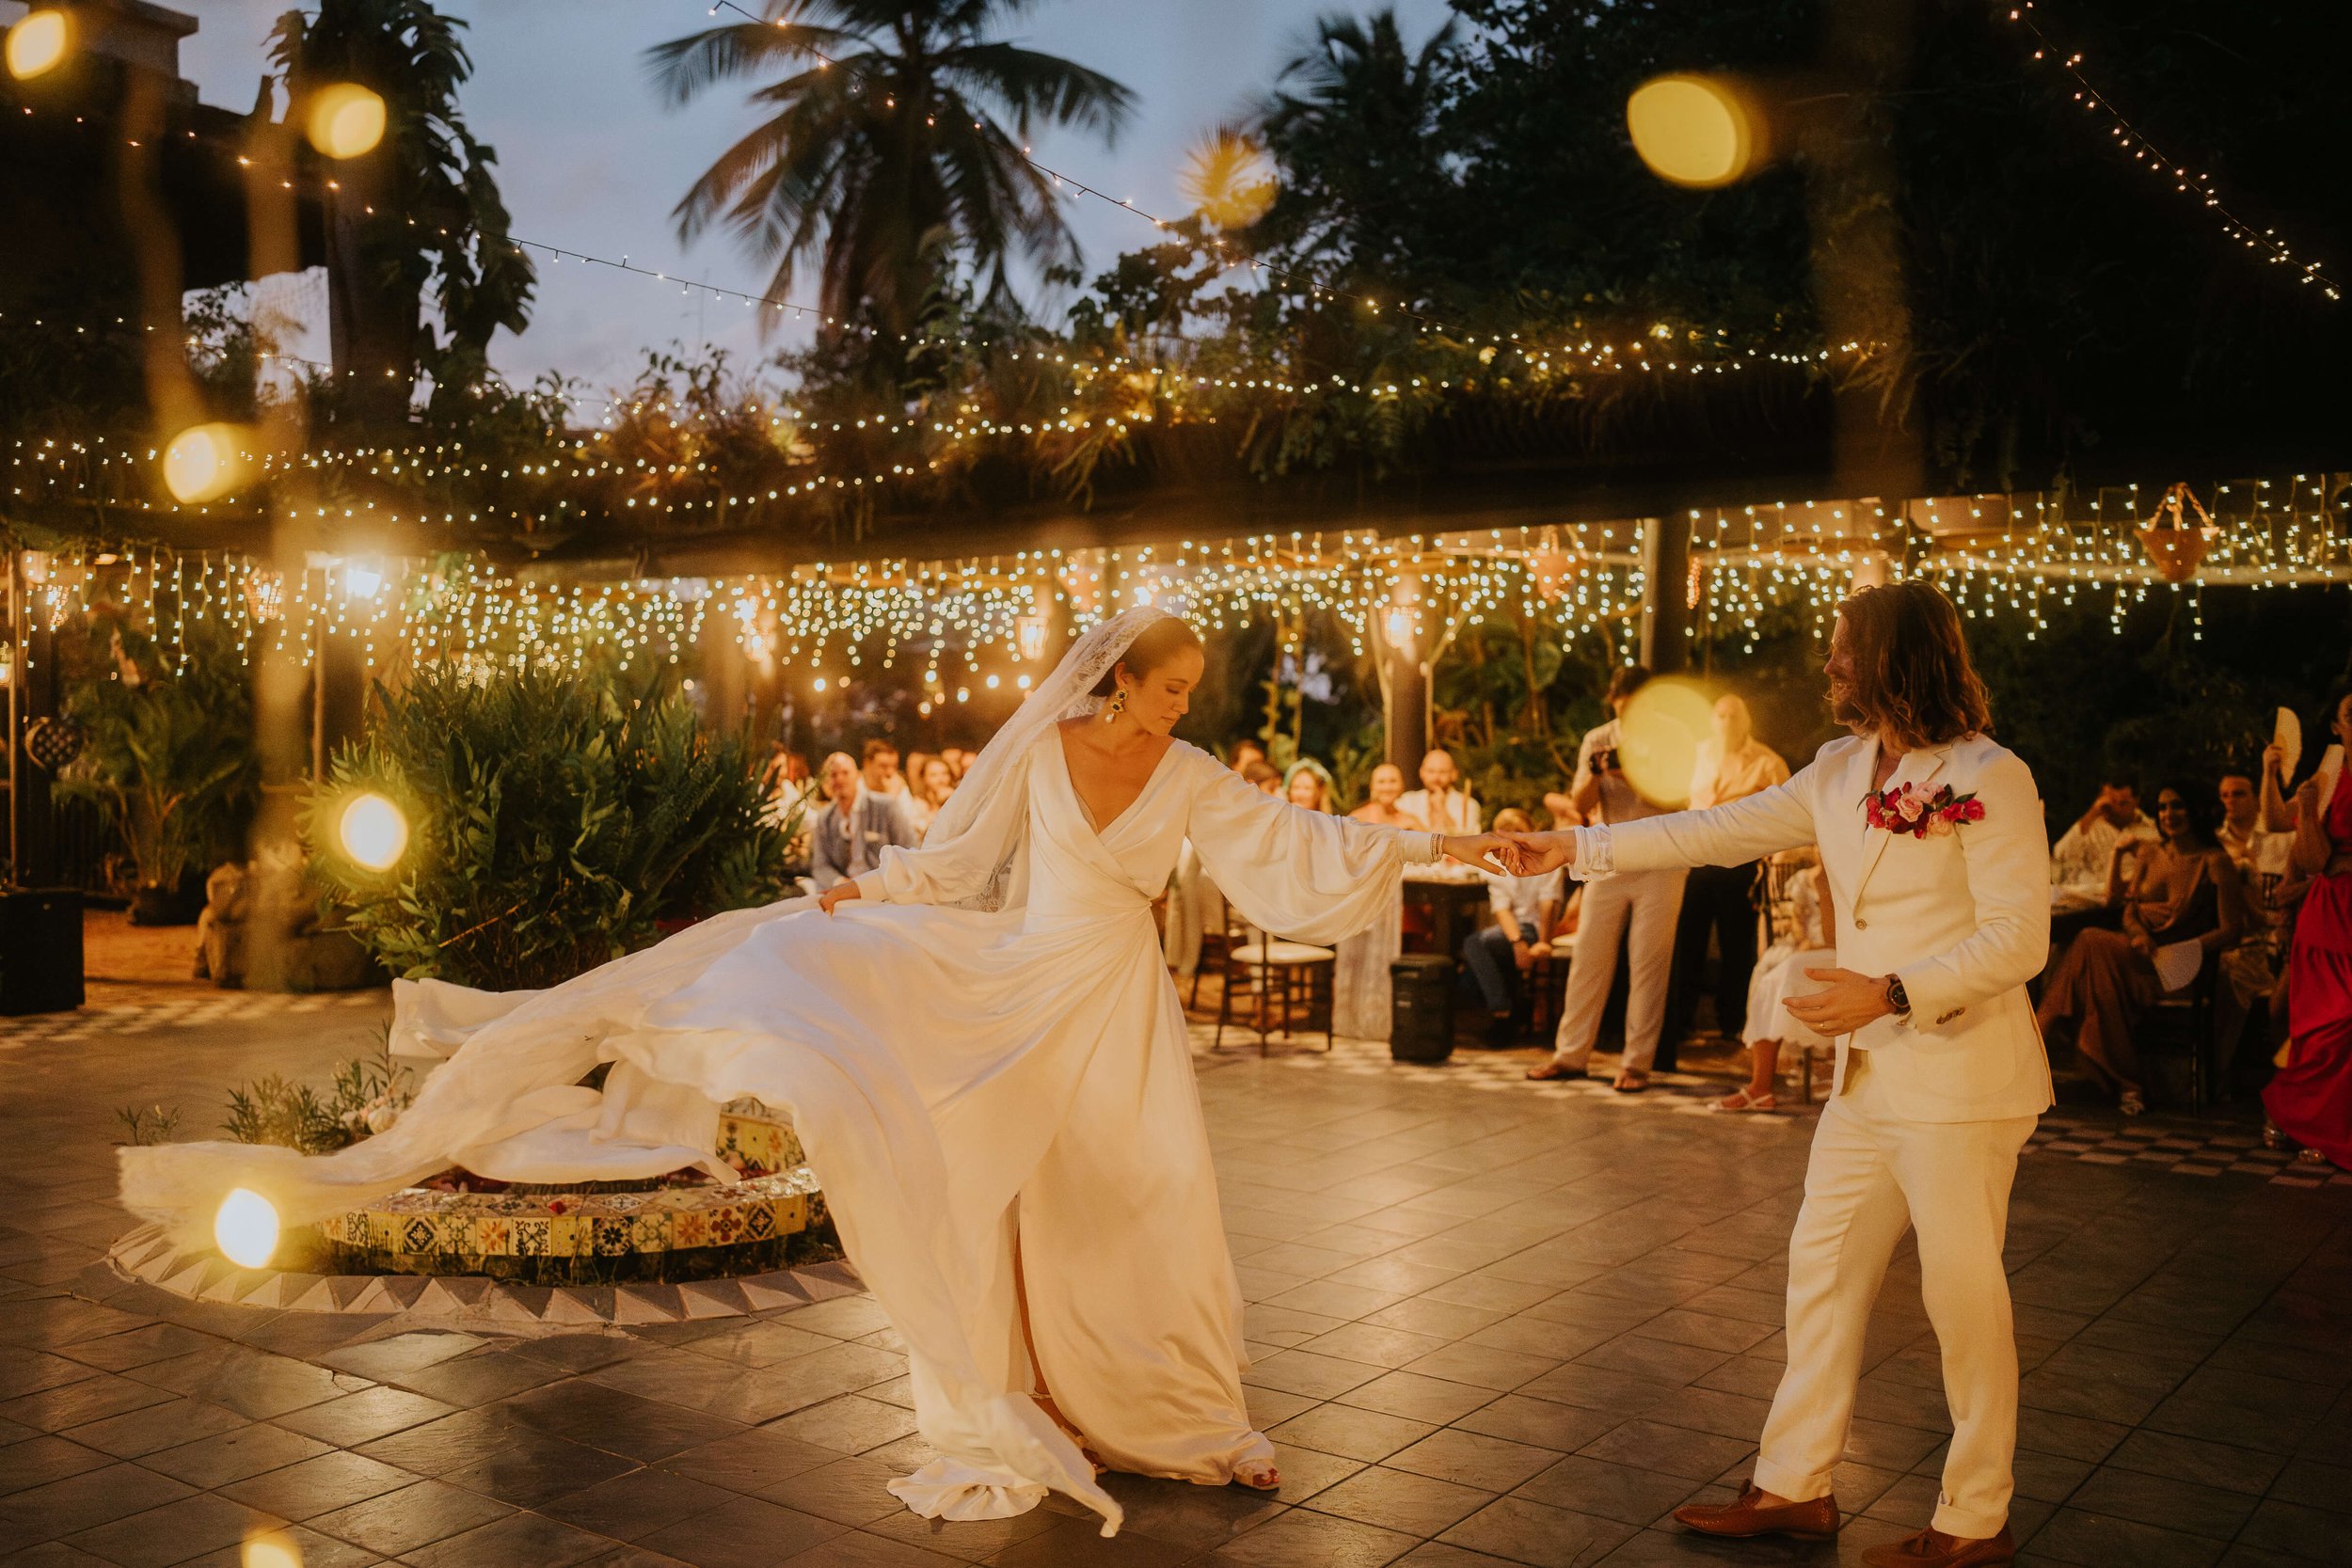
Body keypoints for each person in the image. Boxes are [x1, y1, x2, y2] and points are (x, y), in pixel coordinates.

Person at [119, 609, 1507, 1536]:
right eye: (1167, 686)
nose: (1178, 708)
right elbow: (958, 864)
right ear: (1112, 679)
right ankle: (1054, 1394)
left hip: (1121, 1002)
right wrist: (873, 895)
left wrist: (1467, 848)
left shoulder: (1194, 773)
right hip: (1020, 985)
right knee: (1016, 1198)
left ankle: (1186, 1417)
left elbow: (1302, 846)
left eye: (1188, 694)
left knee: (1152, 1199)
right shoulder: (1041, 756)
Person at [1496, 580, 2052, 1568]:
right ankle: (1794, 1484)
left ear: (1892, 658)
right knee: (1820, 1270)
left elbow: (2019, 939)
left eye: (1842, 648)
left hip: (1961, 1076)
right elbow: (1707, 829)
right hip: (1866, 1080)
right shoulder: (1836, 768)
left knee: (1961, 1298)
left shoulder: (1990, 774)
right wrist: (1570, 847)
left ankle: (1976, 1516)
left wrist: (1887, 991)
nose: (1828, 664)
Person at [2036, 784, 2246, 1115]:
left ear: (2194, 810)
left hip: (2177, 967)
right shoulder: (2149, 852)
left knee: (2090, 941)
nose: (2168, 815)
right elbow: (2128, 911)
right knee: (2096, 978)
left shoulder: (2214, 861)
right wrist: (2138, 935)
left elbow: (2232, 928)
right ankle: (2126, 1084)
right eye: (2162, 808)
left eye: (2177, 806)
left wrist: (2183, 947)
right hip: (2138, 956)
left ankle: (2040, 1034)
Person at [1528, 665, 1687, 1092]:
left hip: (1662, 858)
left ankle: (1636, 1064)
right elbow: (1580, 804)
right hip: (1609, 855)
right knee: (1588, 958)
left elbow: (1679, 800)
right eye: (1620, 708)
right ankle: (1570, 1055)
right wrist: (1600, 773)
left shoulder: (1675, 735)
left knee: (1648, 963)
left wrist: (1629, 771)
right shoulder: (1598, 738)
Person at [1661, 694, 1790, 1067]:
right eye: (1720, 715)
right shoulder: (1697, 755)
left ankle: (1732, 1022)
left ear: (1745, 721)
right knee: (1688, 940)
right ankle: (1682, 1019)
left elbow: (1787, 814)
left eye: (1733, 715)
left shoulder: (1767, 762)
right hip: (1695, 859)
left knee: (1737, 946)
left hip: (1740, 864)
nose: (1726, 721)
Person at [2264, 688, 2352, 1170]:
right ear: (2338, 727)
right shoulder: (2331, 775)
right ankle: (2306, 1121)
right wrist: (2271, 773)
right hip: (2330, 917)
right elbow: (2311, 854)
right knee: (2325, 1028)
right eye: (2351, 713)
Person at [1718, 849, 1838, 1113]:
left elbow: (1838, 934)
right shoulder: (1803, 880)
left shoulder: (1849, 878)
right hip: (1812, 951)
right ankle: (1760, 1086)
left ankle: (1832, 1069)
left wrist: (1830, 883)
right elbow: (1799, 930)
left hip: (1847, 952)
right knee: (1770, 972)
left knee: (1788, 971)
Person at [1460, 807, 1565, 1044]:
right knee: (1468, 977)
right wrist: (1517, 943)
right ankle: (1507, 1015)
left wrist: (1542, 943)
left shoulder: (1546, 858)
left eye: (1519, 832)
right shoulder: (1497, 865)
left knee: (1474, 944)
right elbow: (1502, 909)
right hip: (1513, 931)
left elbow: (1549, 905)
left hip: (1535, 928)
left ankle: (1502, 1013)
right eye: (1506, 834)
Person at [806, 751, 919, 889]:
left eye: (845, 773)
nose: (839, 779)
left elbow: (910, 849)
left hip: (885, 889)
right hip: (845, 893)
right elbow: (820, 865)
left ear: (858, 776)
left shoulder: (885, 806)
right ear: (826, 781)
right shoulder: (825, 818)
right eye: (833, 775)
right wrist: (839, 882)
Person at [2048, 777, 2157, 916]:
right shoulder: (2092, 827)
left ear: (2137, 801)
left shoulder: (2153, 831)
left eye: (2123, 803)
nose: (2116, 809)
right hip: (2089, 903)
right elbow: (2061, 854)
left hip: (2130, 905)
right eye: (2111, 803)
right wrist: (2093, 812)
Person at [1397, 748, 1482, 835]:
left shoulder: (1469, 804)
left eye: (1443, 772)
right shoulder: (1406, 801)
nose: (1436, 778)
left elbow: (1466, 840)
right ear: (1421, 772)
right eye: (1431, 771)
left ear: (1454, 774)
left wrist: (1441, 809)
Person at [1350, 762, 1428, 830]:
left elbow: (1432, 844)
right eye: (1381, 782)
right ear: (1372, 786)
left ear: (1402, 786)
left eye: (1393, 781)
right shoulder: (1356, 819)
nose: (1387, 788)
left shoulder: (1409, 822)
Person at [908, 754, 958, 840]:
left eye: (945, 773)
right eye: (933, 775)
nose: (941, 779)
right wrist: (937, 806)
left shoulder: (956, 797)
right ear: (924, 778)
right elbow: (919, 834)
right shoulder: (918, 803)